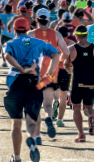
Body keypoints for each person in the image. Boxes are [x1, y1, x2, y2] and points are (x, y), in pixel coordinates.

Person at [2, 18, 61, 162]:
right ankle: (33, 141)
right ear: (29, 29)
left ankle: (16, 158)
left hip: (17, 82)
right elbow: (56, 54)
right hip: (34, 82)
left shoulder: (10, 43)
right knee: (32, 119)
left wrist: (21, 69)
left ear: (14, 30)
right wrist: (49, 74)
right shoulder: (38, 42)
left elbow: (7, 56)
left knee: (16, 123)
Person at [28, 9, 70, 141]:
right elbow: (67, 52)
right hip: (51, 74)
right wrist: (59, 59)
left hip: (35, 75)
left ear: (36, 20)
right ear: (48, 20)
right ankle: (48, 118)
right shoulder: (56, 34)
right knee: (47, 104)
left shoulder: (31, 34)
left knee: (34, 106)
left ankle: (38, 136)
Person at [66, 24, 94, 142]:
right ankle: (90, 116)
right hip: (92, 81)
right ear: (86, 35)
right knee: (88, 107)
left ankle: (81, 133)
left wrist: (70, 69)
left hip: (77, 82)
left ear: (76, 35)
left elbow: (66, 65)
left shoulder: (72, 49)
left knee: (76, 108)